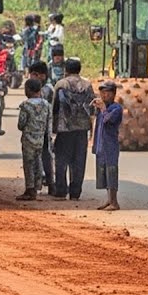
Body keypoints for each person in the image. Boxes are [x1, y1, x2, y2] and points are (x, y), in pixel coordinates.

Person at [51, 58, 94, 200]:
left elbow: (55, 107)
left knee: (61, 160)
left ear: (66, 69)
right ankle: (75, 192)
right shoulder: (87, 85)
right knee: (79, 161)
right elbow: (92, 107)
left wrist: (53, 129)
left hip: (64, 128)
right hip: (82, 129)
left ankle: (61, 190)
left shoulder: (61, 84)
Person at [16, 78, 51, 201]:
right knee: (38, 162)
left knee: (28, 164)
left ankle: (29, 189)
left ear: (29, 90)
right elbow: (49, 123)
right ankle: (37, 186)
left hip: (28, 139)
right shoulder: (46, 104)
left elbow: (21, 124)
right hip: (40, 138)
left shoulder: (26, 105)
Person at [93, 80, 123, 211]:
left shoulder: (116, 109)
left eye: (107, 93)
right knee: (103, 172)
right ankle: (109, 200)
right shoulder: (101, 109)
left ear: (113, 94)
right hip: (101, 144)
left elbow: (108, 120)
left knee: (111, 171)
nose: (104, 96)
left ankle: (114, 201)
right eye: (102, 93)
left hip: (110, 145)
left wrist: (103, 109)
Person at [28, 62, 56, 194]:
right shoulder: (40, 88)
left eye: (34, 74)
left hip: (43, 129)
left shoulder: (46, 90)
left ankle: (49, 183)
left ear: (43, 76)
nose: (31, 77)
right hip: (39, 128)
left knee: (44, 156)